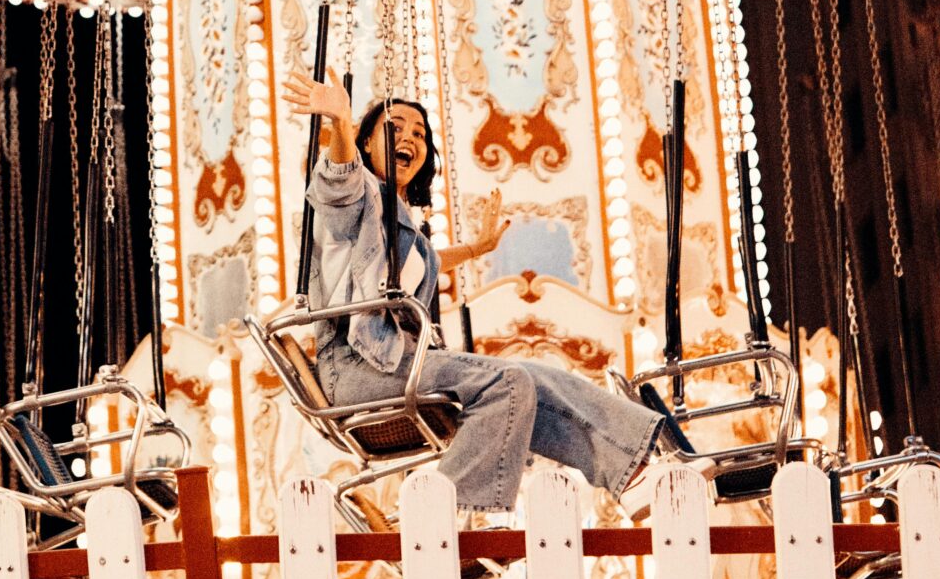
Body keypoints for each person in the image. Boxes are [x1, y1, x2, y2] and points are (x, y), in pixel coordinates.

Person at [284, 73, 686, 519]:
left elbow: (426, 259)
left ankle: (631, 474)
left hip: (392, 362)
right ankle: (441, 517)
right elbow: (336, 186)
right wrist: (341, 121)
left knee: (529, 378)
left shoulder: (396, 220)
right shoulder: (358, 194)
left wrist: (478, 248)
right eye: (394, 127)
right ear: (364, 142)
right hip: (360, 367)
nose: (410, 139)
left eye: (419, 134)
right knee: (506, 382)